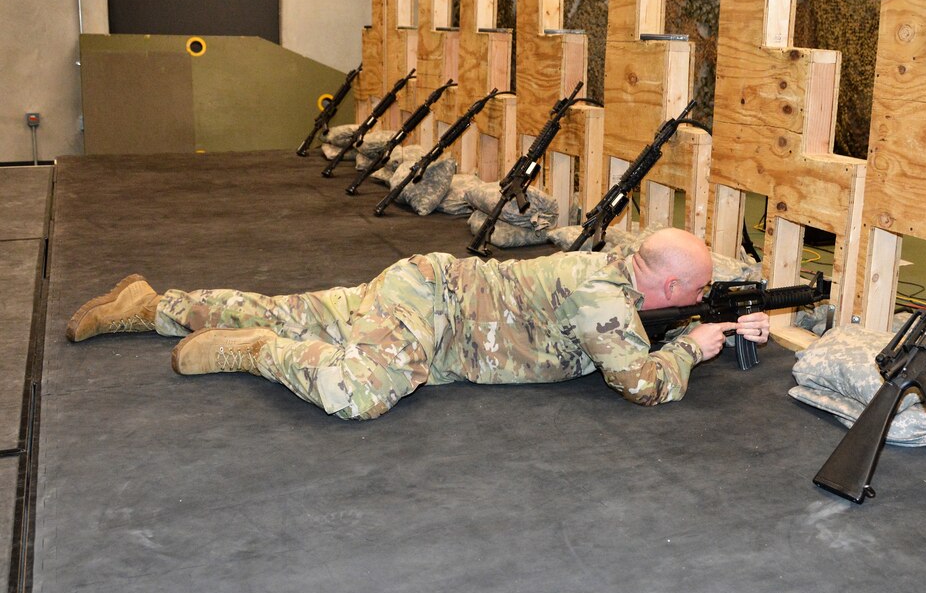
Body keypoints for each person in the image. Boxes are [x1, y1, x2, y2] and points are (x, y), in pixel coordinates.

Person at [66, 228, 770, 420]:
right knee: (362, 392)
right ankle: (255, 353)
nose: (700, 298)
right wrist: (692, 350)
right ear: (671, 284)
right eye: (698, 291)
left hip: (430, 288)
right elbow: (642, 383)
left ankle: (147, 304)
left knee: (288, 302)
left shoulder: (621, 266)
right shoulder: (605, 298)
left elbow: (650, 317)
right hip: (433, 306)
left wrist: (719, 323)